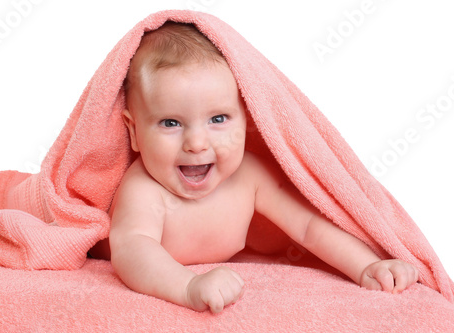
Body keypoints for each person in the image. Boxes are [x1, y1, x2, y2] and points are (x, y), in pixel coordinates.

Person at [96, 22, 419, 314]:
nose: (196, 143)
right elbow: (132, 248)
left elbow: (307, 225)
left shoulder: (248, 176)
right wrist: (187, 286)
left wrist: (366, 267)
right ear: (135, 132)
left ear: (248, 117)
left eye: (218, 119)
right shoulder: (143, 188)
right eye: (170, 122)